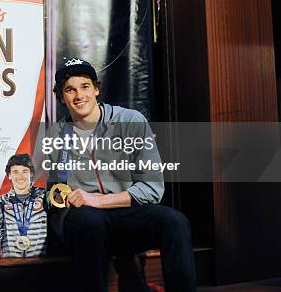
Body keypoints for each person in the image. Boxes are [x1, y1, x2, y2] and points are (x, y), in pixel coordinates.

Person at [47, 58, 197, 292]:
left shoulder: (130, 120)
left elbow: (152, 188)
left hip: (126, 213)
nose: (79, 95)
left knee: (174, 221)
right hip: (87, 222)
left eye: (85, 86)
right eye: (70, 89)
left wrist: (97, 200)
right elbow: (56, 191)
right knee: (90, 222)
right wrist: (57, 200)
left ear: (96, 89)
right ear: (61, 97)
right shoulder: (57, 134)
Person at [0, 154, 47, 257]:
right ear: (9, 175)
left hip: (41, 263)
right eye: (15, 172)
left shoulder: (45, 198)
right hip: (10, 265)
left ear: (31, 174)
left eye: (25, 171)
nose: (20, 176)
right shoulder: (0, 202)